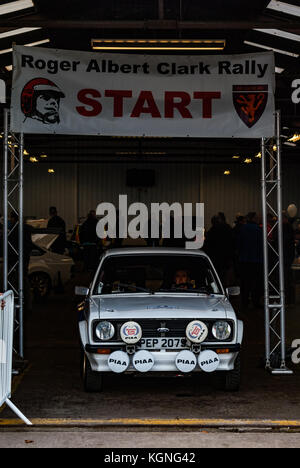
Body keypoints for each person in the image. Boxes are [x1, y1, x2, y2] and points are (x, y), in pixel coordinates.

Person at [237, 212, 263, 308]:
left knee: (245, 283)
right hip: (257, 260)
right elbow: (262, 245)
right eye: (257, 217)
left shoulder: (243, 228)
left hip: (244, 259)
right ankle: (255, 301)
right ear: (254, 218)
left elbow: (238, 243)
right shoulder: (259, 230)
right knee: (256, 283)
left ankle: (244, 302)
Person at [203, 213, 234, 286]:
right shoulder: (228, 228)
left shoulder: (212, 231)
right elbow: (232, 243)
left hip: (215, 258)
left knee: (215, 275)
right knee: (224, 277)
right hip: (225, 257)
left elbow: (207, 245)